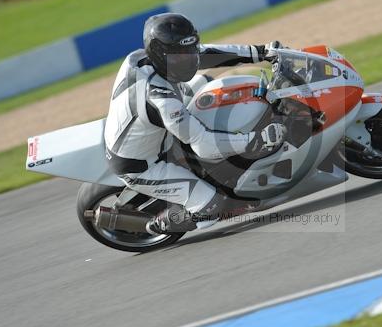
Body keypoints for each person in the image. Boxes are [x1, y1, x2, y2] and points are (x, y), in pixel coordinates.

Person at [103, 13, 286, 234]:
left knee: (210, 85)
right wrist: (256, 141)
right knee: (210, 206)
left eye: (189, 50)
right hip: (144, 164)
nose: (189, 60)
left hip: (154, 128)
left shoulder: (142, 58)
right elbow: (204, 144)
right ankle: (157, 225)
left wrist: (262, 52)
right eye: (180, 56)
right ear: (160, 54)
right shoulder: (159, 98)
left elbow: (207, 53)